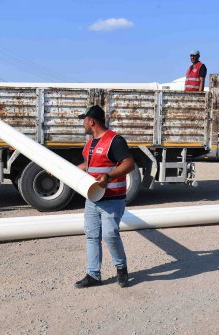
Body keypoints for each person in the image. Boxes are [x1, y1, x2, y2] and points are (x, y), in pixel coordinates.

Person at [75, 105, 135, 288]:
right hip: (93, 198)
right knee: (92, 236)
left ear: (91, 121)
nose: (83, 123)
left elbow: (129, 164)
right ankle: (93, 274)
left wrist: (108, 177)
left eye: (84, 120)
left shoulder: (114, 140)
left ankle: (121, 268)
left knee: (109, 235)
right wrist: (61, 172)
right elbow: (89, 166)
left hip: (112, 199)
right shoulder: (90, 143)